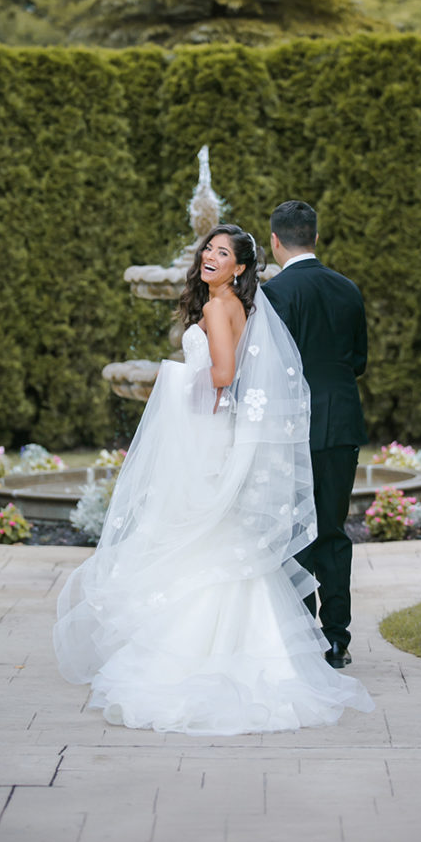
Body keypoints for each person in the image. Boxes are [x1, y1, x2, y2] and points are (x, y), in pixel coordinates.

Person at [54, 224, 373, 735]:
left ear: (241, 267)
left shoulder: (215, 308)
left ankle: (191, 653)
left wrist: (176, 380)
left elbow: (223, 375)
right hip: (224, 430)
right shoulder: (243, 307)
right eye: (209, 248)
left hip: (208, 434)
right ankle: (260, 648)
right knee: (222, 537)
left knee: (198, 534)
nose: (209, 255)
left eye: (222, 252)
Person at [263, 201, 368, 670]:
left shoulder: (273, 294)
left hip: (292, 426)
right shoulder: (349, 289)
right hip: (342, 423)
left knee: (293, 529)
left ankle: (303, 634)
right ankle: (337, 639)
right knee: (331, 529)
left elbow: (268, 369)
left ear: (275, 242)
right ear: (317, 239)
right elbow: (358, 362)